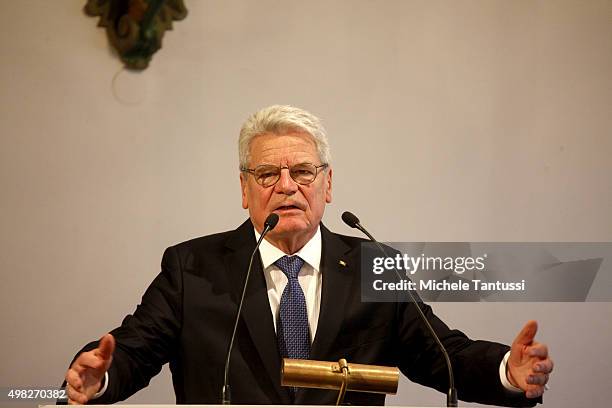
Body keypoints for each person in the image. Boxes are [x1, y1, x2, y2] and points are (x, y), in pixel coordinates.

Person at [63, 105, 553, 406]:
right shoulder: (192, 268)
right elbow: (131, 349)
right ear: (244, 189)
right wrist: (99, 378)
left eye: (302, 171)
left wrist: (506, 370)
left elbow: (443, 356)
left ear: (327, 183)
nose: (286, 187)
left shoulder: (373, 265)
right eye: (266, 174)